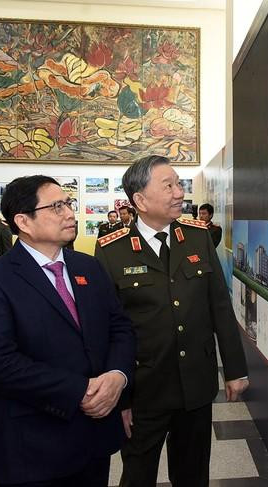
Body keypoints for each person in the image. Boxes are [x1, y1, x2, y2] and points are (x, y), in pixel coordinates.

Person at [0, 175, 135, 486]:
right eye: (57, 207)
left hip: (93, 441)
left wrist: (117, 377)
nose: (70, 213)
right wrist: (80, 390)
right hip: (32, 447)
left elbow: (119, 326)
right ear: (23, 221)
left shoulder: (89, 268)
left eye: (68, 204)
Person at [95, 155, 248, 487]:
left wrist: (235, 370)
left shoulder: (197, 237)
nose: (180, 192)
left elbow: (220, 306)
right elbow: (106, 329)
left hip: (195, 384)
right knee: (137, 474)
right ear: (140, 200)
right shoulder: (112, 250)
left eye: (179, 183)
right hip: (143, 389)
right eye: (169, 185)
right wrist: (119, 396)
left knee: (192, 474)